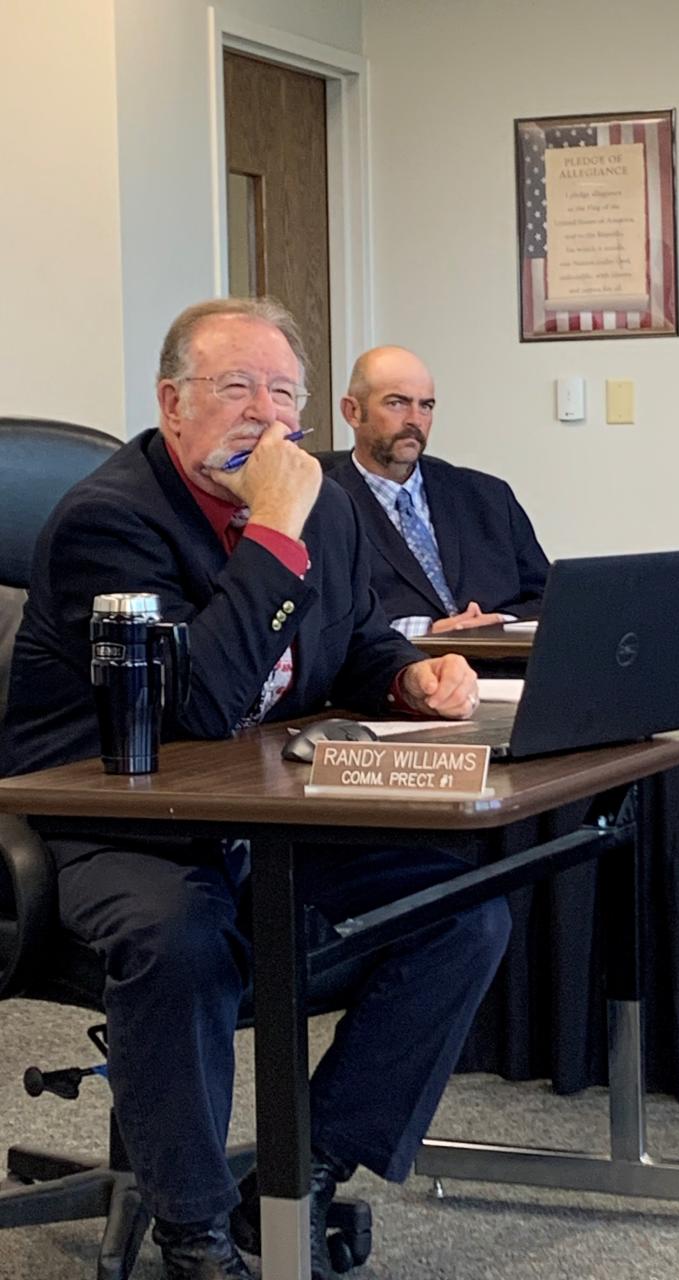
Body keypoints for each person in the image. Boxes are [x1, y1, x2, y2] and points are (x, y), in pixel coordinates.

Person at [0, 299, 511, 1280]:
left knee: (458, 911)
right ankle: (194, 1235)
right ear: (171, 402)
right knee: (180, 936)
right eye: (237, 389)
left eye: (285, 395)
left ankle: (297, 1171)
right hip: (113, 823)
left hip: (261, 816)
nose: (265, 418)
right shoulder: (108, 521)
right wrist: (277, 525)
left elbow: (353, 639)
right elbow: (197, 702)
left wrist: (410, 676)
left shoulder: (323, 509)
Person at [328, 346, 549, 637]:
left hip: (501, 665)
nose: (415, 420)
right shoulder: (322, 506)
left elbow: (549, 599)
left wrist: (498, 620)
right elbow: (326, 623)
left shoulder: (489, 497)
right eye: (396, 403)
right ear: (352, 412)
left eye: (426, 406)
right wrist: (428, 630)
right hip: (398, 671)